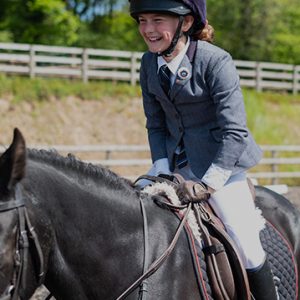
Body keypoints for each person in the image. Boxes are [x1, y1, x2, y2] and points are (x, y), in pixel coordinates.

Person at [129, 0, 278, 299]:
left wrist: (209, 183)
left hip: (223, 166)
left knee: (246, 243)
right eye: (142, 20)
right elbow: (155, 124)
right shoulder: (148, 63)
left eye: (158, 20)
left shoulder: (215, 61)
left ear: (185, 23)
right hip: (174, 164)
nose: (148, 30)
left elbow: (234, 131)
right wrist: (160, 169)